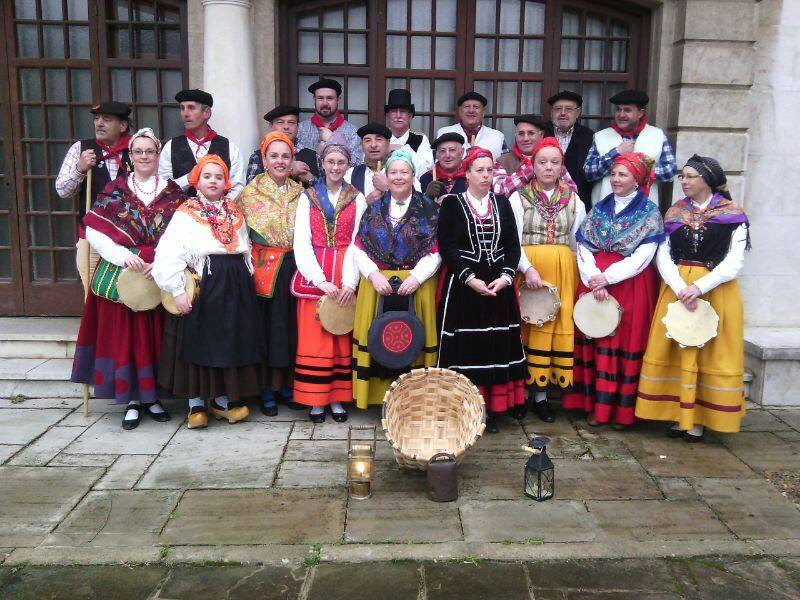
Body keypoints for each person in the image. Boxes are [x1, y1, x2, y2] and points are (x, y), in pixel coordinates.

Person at [70, 128, 186, 430]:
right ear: (130, 156)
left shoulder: (173, 192)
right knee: (128, 337)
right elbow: (93, 229)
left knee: (154, 337)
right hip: (124, 271)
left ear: (157, 155)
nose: (144, 156)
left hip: (159, 271)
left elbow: (185, 231)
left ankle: (153, 398)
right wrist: (123, 256)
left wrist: (161, 259)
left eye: (149, 151)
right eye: (138, 152)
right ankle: (132, 400)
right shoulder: (116, 189)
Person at [636, 155, 750, 441]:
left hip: (715, 291)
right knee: (676, 348)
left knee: (706, 351)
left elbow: (734, 261)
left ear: (707, 180)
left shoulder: (732, 214)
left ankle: (698, 419)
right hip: (677, 290)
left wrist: (699, 287)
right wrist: (678, 285)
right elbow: (663, 253)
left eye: (690, 177)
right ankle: (678, 415)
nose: (684, 182)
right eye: (682, 177)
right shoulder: (674, 213)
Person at [152, 155, 264, 430]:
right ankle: (196, 403)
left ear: (226, 182)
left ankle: (223, 400)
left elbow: (245, 246)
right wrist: (178, 290)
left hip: (235, 284)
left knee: (228, 342)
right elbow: (169, 252)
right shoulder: (186, 212)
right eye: (207, 176)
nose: (213, 181)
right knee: (199, 341)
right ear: (197, 180)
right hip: (205, 282)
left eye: (218, 176)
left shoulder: (234, 211)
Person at [563, 152, 664, 429]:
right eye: (614, 174)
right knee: (596, 340)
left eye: (623, 175)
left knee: (620, 343)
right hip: (593, 278)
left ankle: (619, 412)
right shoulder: (599, 208)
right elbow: (582, 244)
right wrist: (592, 275)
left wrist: (607, 278)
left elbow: (644, 256)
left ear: (637, 180)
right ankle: (593, 405)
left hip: (628, 284)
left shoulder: (649, 213)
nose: (616, 180)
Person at [436, 147, 526, 433]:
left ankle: (496, 409)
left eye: (489, 170)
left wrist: (506, 277)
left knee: (496, 347)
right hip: (465, 287)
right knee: (468, 349)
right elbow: (447, 246)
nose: (486, 176)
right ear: (468, 173)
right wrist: (470, 278)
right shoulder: (452, 204)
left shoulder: (503, 203)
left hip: (499, 287)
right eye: (480, 170)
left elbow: (513, 246)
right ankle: (467, 407)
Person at [350, 149, 441, 409]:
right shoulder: (373, 208)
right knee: (378, 338)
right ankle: (377, 398)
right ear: (385, 177)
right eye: (393, 172)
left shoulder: (429, 209)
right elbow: (359, 247)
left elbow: (436, 251)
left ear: (413, 175)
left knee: (414, 339)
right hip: (377, 286)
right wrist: (373, 274)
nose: (399, 177)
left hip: (417, 286)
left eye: (404, 172)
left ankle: (415, 399)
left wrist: (417, 277)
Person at [508, 138, 586, 423]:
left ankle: (542, 397)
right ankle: (521, 396)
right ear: (532, 165)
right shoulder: (518, 198)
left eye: (555, 162)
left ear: (561, 165)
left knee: (552, 330)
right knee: (528, 327)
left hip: (563, 270)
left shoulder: (575, 200)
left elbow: (579, 242)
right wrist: (527, 268)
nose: (549, 167)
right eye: (543, 162)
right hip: (528, 270)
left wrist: (579, 274)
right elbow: (512, 242)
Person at [292, 132, 365, 423]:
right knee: (316, 337)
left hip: (346, 267)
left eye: (341, 162)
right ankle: (315, 400)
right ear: (321, 163)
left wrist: (349, 281)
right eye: (331, 161)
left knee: (342, 335)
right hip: (317, 271)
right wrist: (319, 279)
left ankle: (338, 398)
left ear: (348, 164)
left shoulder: (356, 198)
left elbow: (359, 240)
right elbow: (302, 240)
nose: (335, 167)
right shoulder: (308, 197)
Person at [238, 131, 305, 417]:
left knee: (292, 330)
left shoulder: (300, 192)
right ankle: (266, 389)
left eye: (285, 156)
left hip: (294, 266)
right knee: (267, 331)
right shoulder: (249, 193)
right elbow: (240, 236)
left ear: (292, 160)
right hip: (263, 268)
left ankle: (287, 386)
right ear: (264, 159)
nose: (280, 161)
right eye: (274, 156)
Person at [583, 90, 676, 207]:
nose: (621, 115)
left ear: (640, 113)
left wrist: (640, 166)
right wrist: (615, 154)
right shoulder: (600, 136)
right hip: (606, 213)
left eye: (627, 110)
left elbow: (670, 171)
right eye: (618, 109)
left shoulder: (657, 135)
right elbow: (588, 172)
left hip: (644, 213)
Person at [158, 89, 245, 199]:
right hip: (181, 214)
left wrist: (219, 209)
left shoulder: (229, 147)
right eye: (182, 108)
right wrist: (188, 179)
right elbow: (163, 188)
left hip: (221, 213)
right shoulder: (171, 147)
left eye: (191, 108)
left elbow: (238, 187)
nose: (185, 113)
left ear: (206, 113)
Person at [544, 91, 595, 212]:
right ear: (551, 112)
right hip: (544, 203)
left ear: (577, 113)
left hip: (578, 204)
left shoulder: (588, 136)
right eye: (558, 109)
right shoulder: (541, 132)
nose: (562, 113)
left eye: (568, 109)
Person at [295, 79, 363, 167]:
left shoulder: (352, 131)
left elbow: (356, 163)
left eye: (330, 98)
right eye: (320, 98)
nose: (325, 103)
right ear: (314, 99)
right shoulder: (300, 129)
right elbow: (295, 160)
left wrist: (333, 140)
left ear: (338, 99)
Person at [245, 105, 319, 185]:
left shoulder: (313, 155)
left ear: (298, 127)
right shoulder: (258, 157)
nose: (286, 127)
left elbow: (327, 191)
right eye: (280, 122)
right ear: (271, 127)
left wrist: (310, 179)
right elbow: (251, 190)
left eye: (291, 122)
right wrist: (289, 171)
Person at [435, 92, 507, 159]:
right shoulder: (444, 133)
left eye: (476, 107)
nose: (471, 110)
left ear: (483, 112)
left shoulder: (497, 136)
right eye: (467, 106)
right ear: (460, 111)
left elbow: (504, 167)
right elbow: (434, 165)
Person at [493, 115, 547, 197]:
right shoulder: (502, 161)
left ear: (541, 134)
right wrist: (531, 169)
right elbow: (499, 191)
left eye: (531, 133)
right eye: (521, 134)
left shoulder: (552, 159)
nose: (525, 138)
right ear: (515, 135)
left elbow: (569, 189)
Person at [385, 89, 434, 175]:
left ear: (410, 116)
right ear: (388, 116)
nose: (398, 116)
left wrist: (401, 150)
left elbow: (427, 170)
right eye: (394, 112)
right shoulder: (381, 138)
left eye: (403, 111)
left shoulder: (420, 139)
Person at [344, 123, 393, 202]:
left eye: (379, 139)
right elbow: (341, 209)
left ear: (388, 143)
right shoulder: (350, 174)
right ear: (361, 145)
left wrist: (388, 188)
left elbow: (415, 202)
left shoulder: (402, 172)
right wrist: (365, 202)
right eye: (367, 140)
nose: (373, 145)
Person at [419, 132, 467, 202]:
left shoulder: (471, 177)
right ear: (437, 154)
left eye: (452, 150)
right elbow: (418, 209)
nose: (447, 155)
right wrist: (427, 196)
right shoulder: (427, 178)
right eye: (442, 151)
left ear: (462, 152)